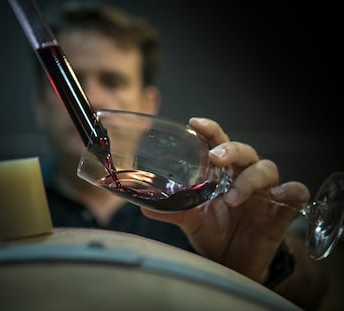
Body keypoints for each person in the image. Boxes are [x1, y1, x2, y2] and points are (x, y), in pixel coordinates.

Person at [31, 2, 327, 310]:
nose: (89, 99)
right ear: (39, 105)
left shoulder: (202, 215)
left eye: (112, 80)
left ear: (148, 105)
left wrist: (264, 266)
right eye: (70, 84)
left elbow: (315, 291)